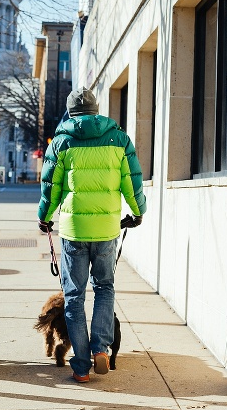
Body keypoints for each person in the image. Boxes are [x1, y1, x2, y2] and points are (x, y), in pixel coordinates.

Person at [37, 87, 147, 383]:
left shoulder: (61, 142)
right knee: (105, 288)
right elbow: (132, 181)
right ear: (96, 111)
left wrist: (44, 218)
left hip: (74, 231)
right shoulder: (119, 139)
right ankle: (101, 348)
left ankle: (82, 366)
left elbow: (51, 187)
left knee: (74, 296)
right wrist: (138, 212)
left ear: (71, 113)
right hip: (107, 229)